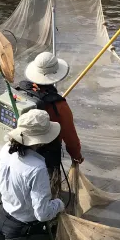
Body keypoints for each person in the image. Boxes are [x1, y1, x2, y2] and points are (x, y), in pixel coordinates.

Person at [0, 109, 65, 240]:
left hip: (2, 220)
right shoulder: (36, 168)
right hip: (23, 232)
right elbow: (42, 214)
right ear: (41, 140)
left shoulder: (6, 148)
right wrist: (58, 204)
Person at [20, 51, 83, 196]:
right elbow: (70, 137)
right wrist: (76, 156)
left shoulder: (20, 92)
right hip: (46, 158)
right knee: (49, 194)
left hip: (20, 152)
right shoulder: (59, 105)